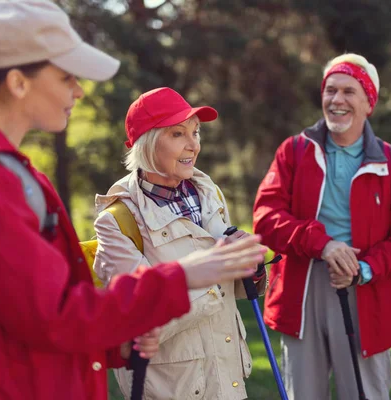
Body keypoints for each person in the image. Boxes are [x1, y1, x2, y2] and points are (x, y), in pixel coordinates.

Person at [0, 1, 266, 399]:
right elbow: (56, 317)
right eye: (66, 77)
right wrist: (187, 275)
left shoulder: (13, 172)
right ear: (18, 82)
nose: (79, 91)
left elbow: (37, 312)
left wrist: (115, 346)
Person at [252, 53, 391, 399]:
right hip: (303, 289)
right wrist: (324, 244)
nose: (337, 100)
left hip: (367, 288)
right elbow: (266, 217)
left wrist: (364, 268)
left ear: (368, 104)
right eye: (330, 90)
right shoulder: (295, 151)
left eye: (349, 91)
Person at [93, 87, 267, 400]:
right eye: (177, 134)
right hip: (174, 388)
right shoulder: (116, 221)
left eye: (196, 132)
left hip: (229, 381)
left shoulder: (207, 191)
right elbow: (137, 321)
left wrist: (248, 268)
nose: (193, 145)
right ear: (146, 144)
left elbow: (233, 287)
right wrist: (213, 276)